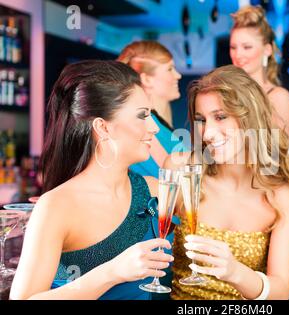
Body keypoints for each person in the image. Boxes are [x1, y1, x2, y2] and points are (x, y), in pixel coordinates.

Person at [10, 60, 174, 300]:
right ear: (103, 128)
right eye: (142, 116)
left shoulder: (155, 189)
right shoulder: (56, 206)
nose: (154, 127)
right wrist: (113, 272)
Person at [164, 65, 289, 300]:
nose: (207, 134)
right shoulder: (182, 170)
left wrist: (235, 272)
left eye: (220, 117)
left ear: (250, 117)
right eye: (201, 120)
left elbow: (280, 293)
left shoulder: (284, 193)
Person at [117, 40, 187, 177]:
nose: (178, 75)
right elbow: (171, 178)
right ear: (147, 79)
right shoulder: (148, 125)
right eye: (169, 69)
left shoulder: (159, 124)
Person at [230, 5, 289, 140]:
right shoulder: (226, 93)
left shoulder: (278, 96)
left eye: (247, 47)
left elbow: (280, 152)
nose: (238, 54)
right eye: (233, 47)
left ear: (267, 50)